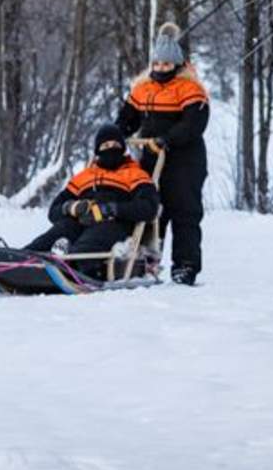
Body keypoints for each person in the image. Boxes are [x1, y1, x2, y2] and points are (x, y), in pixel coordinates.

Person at [116, 22, 209, 285]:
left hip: (184, 160)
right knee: (149, 210)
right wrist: (115, 136)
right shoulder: (142, 88)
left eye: (166, 65)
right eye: (156, 65)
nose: (160, 70)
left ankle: (185, 266)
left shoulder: (190, 89)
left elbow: (193, 124)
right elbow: (128, 118)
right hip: (151, 156)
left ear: (177, 65)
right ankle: (145, 262)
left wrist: (168, 139)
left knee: (184, 212)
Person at [23, 124, 161, 278]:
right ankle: (24, 258)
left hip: (115, 224)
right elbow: (54, 211)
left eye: (115, 145)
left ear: (122, 148)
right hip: (83, 221)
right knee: (62, 228)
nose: (111, 149)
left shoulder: (135, 175)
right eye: (106, 145)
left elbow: (149, 208)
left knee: (89, 242)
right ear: (97, 150)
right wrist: (72, 207)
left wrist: (110, 209)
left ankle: (70, 267)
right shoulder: (84, 176)